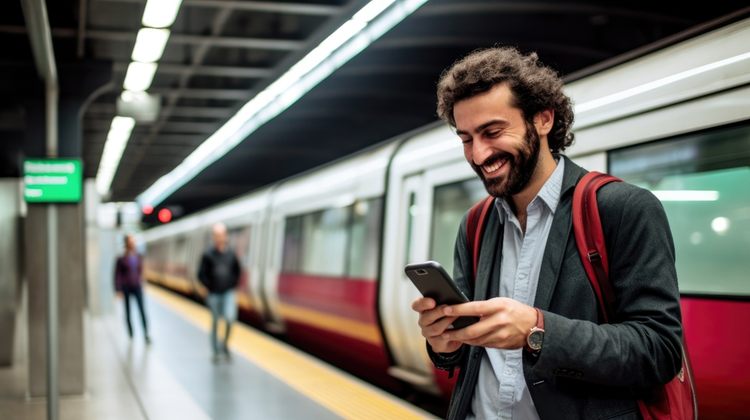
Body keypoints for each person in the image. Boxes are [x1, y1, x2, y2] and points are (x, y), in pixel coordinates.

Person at [412, 47, 683, 420]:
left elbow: (659, 350)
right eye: (466, 139)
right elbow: (467, 353)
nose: (478, 155)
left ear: (542, 119)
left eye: (492, 131)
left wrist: (536, 331)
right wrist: (444, 342)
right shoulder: (475, 224)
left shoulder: (624, 208)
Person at [198, 222, 241, 361]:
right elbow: (201, 274)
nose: (219, 238)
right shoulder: (208, 255)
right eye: (217, 235)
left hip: (228, 293)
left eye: (221, 235)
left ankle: (225, 346)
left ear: (226, 236)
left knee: (230, 318)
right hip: (213, 294)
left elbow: (237, 271)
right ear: (213, 237)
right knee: (215, 322)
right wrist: (208, 286)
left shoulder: (231, 254)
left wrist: (233, 284)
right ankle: (216, 352)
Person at [115, 234, 151, 344]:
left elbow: (141, 271)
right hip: (126, 286)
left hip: (137, 286)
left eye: (133, 241)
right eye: (130, 241)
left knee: (142, 310)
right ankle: (131, 333)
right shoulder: (121, 258)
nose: (132, 243)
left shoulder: (138, 256)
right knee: (128, 311)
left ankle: (146, 333)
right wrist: (118, 289)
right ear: (126, 243)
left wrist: (143, 283)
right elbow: (117, 275)